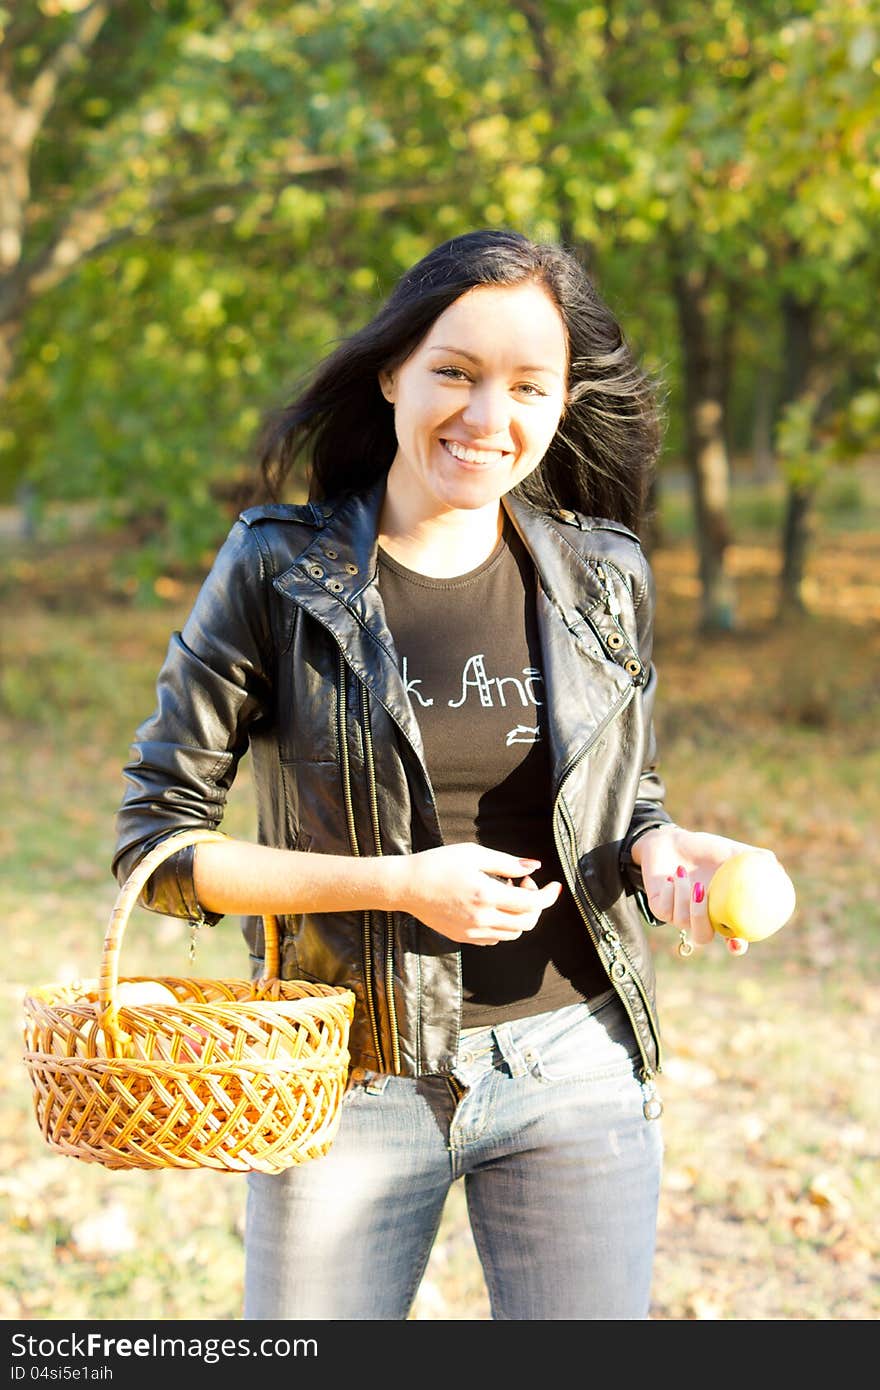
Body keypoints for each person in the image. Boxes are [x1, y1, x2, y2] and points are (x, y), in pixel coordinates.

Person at [113, 228, 765, 1321]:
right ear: (392, 371)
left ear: (561, 402)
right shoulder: (279, 569)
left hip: (578, 1064)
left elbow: (627, 803)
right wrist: (401, 883)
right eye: (454, 373)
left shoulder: (604, 575)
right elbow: (158, 849)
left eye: (525, 386)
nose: (485, 417)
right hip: (349, 1073)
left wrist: (668, 850)